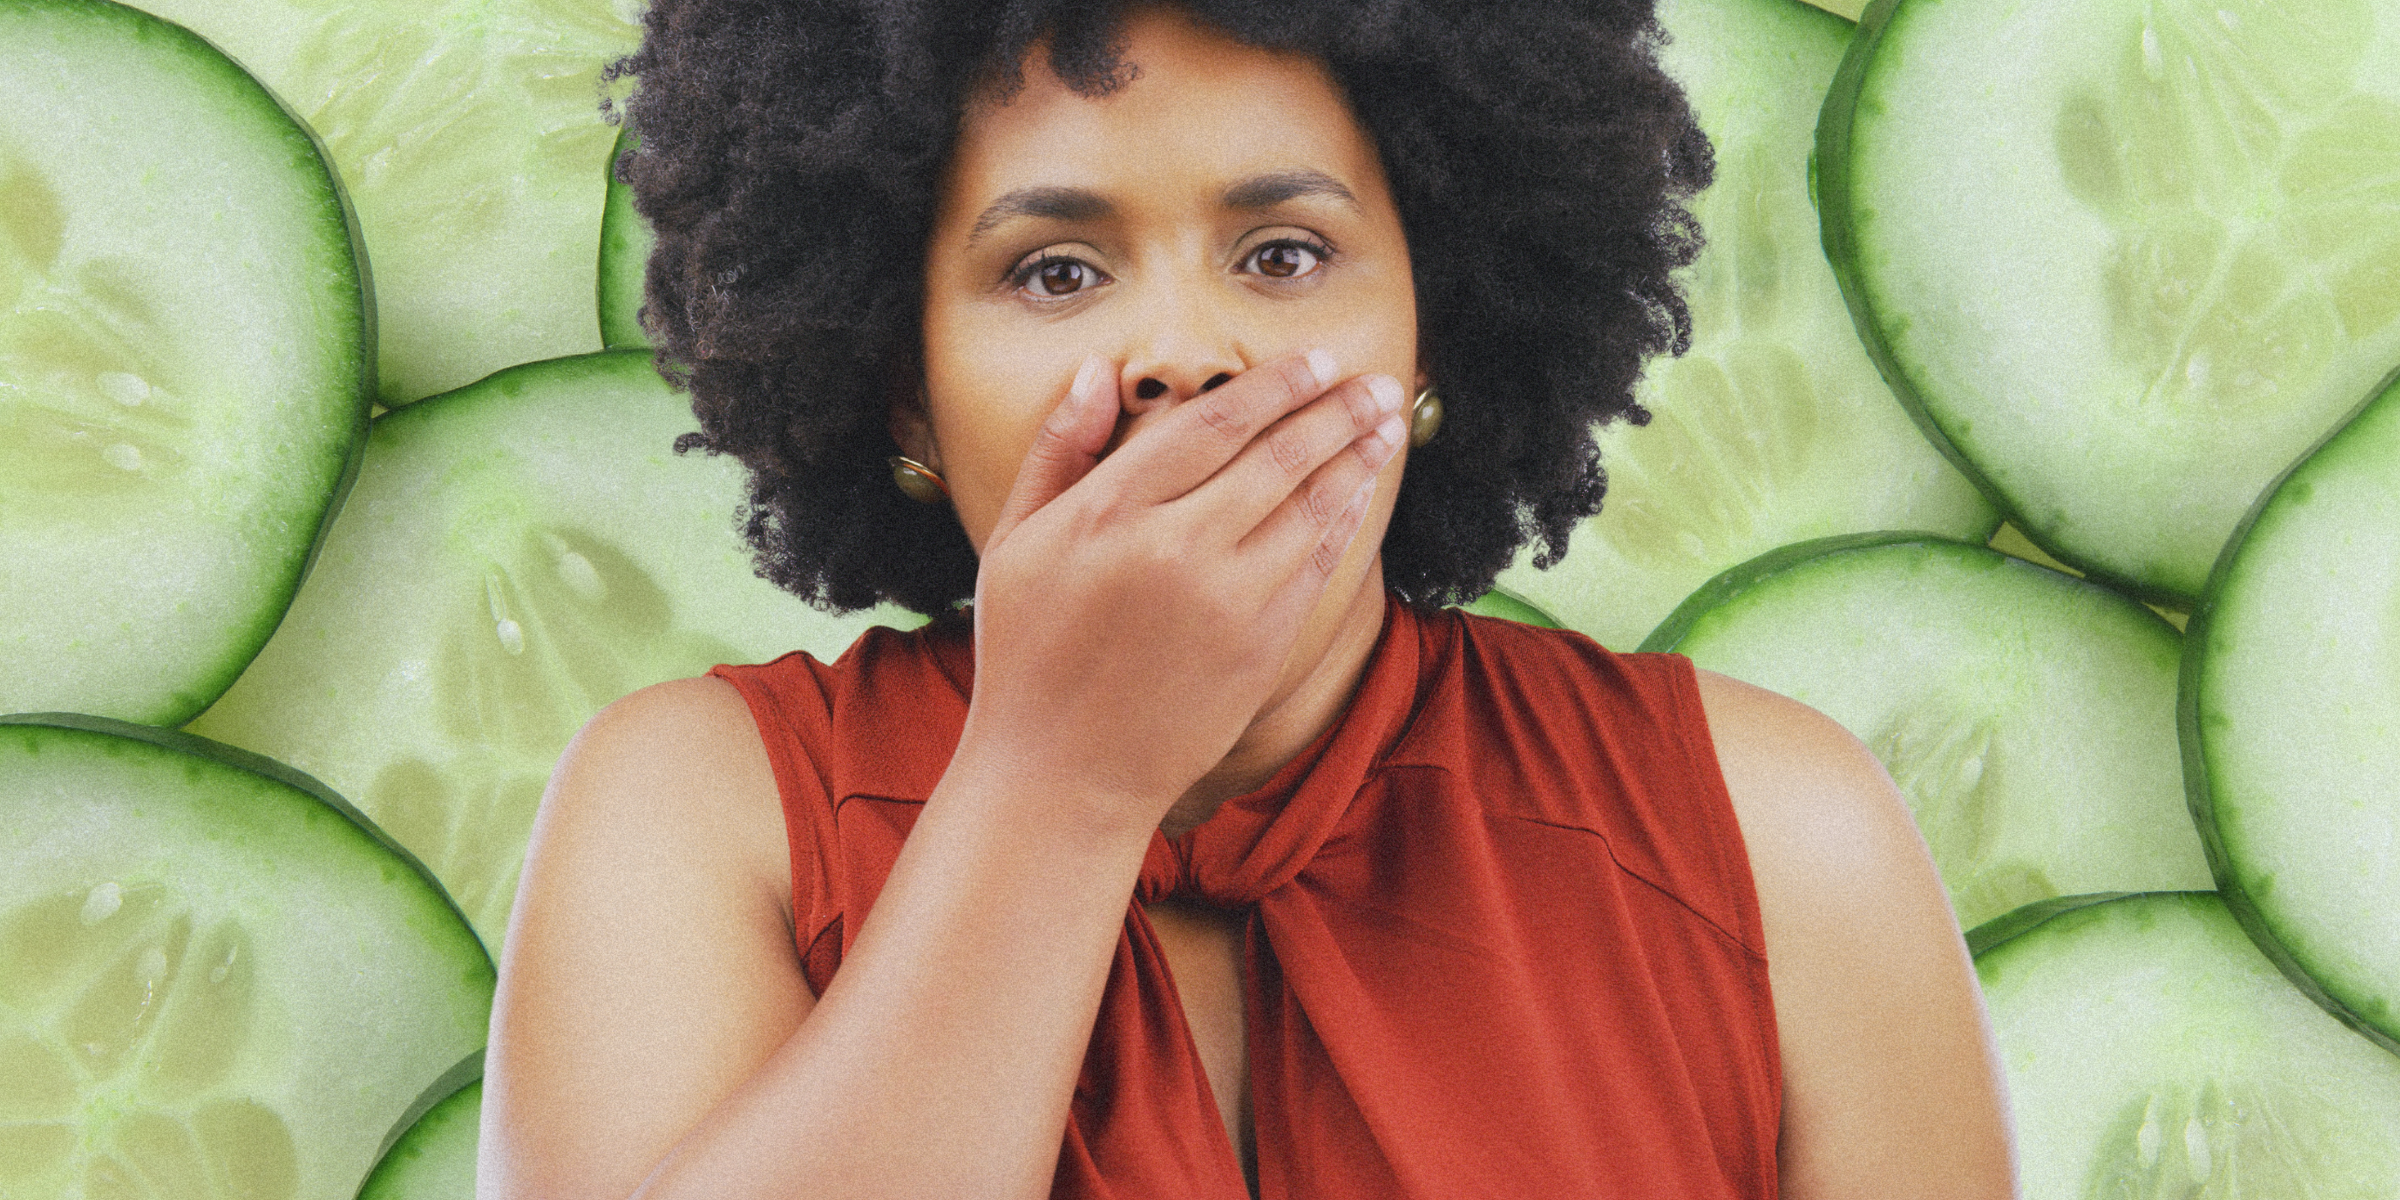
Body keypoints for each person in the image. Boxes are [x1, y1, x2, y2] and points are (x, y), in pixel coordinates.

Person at [479, 1, 2016, 1197]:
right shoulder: (692, 813)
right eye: (1056, 272)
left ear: (1433, 342)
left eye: (1284, 253)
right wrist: (1061, 783)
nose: (1184, 351)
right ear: (902, 388)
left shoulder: (1775, 837)